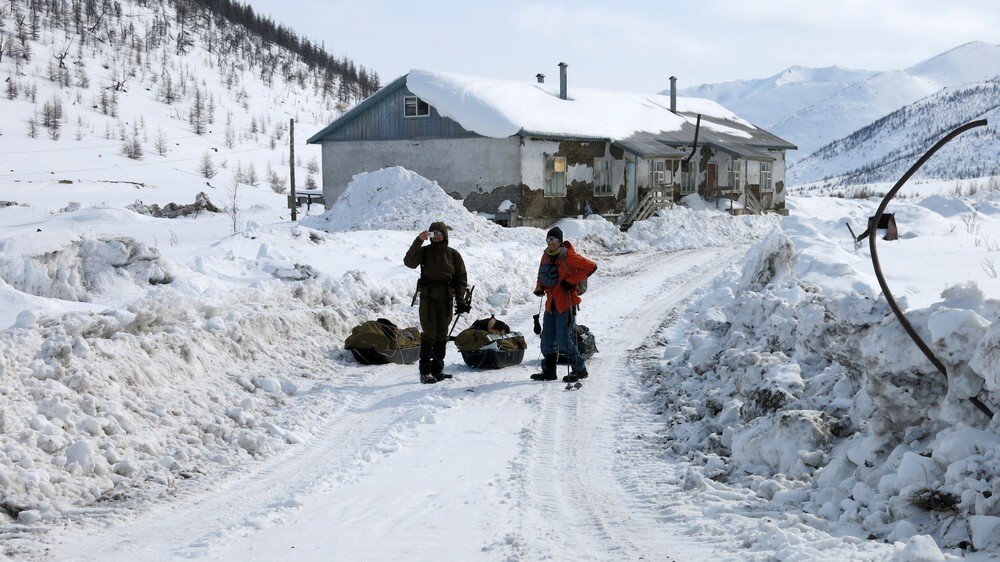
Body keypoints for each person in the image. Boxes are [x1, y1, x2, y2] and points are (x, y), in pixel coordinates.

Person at [404, 221, 470, 384]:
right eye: (433, 233)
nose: (436, 236)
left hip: (446, 298)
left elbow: (460, 278)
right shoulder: (424, 252)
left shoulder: (453, 254)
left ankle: (437, 370)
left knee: (442, 335)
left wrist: (460, 299)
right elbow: (409, 262)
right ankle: (425, 371)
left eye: (439, 233)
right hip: (428, 298)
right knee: (429, 334)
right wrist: (419, 240)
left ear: (445, 235)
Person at [530, 226, 597, 383]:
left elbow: (591, 266)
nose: (551, 242)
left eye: (554, 239)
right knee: (547, 340)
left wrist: (570, 281)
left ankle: (580, 369)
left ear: (560, 241)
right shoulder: (545, 256)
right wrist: (539, 287)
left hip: (566, 303)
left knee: (563, 341)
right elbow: (541, 273)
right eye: (548, 239)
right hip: (550, 304)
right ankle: (549, 371)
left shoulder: (569, 257)